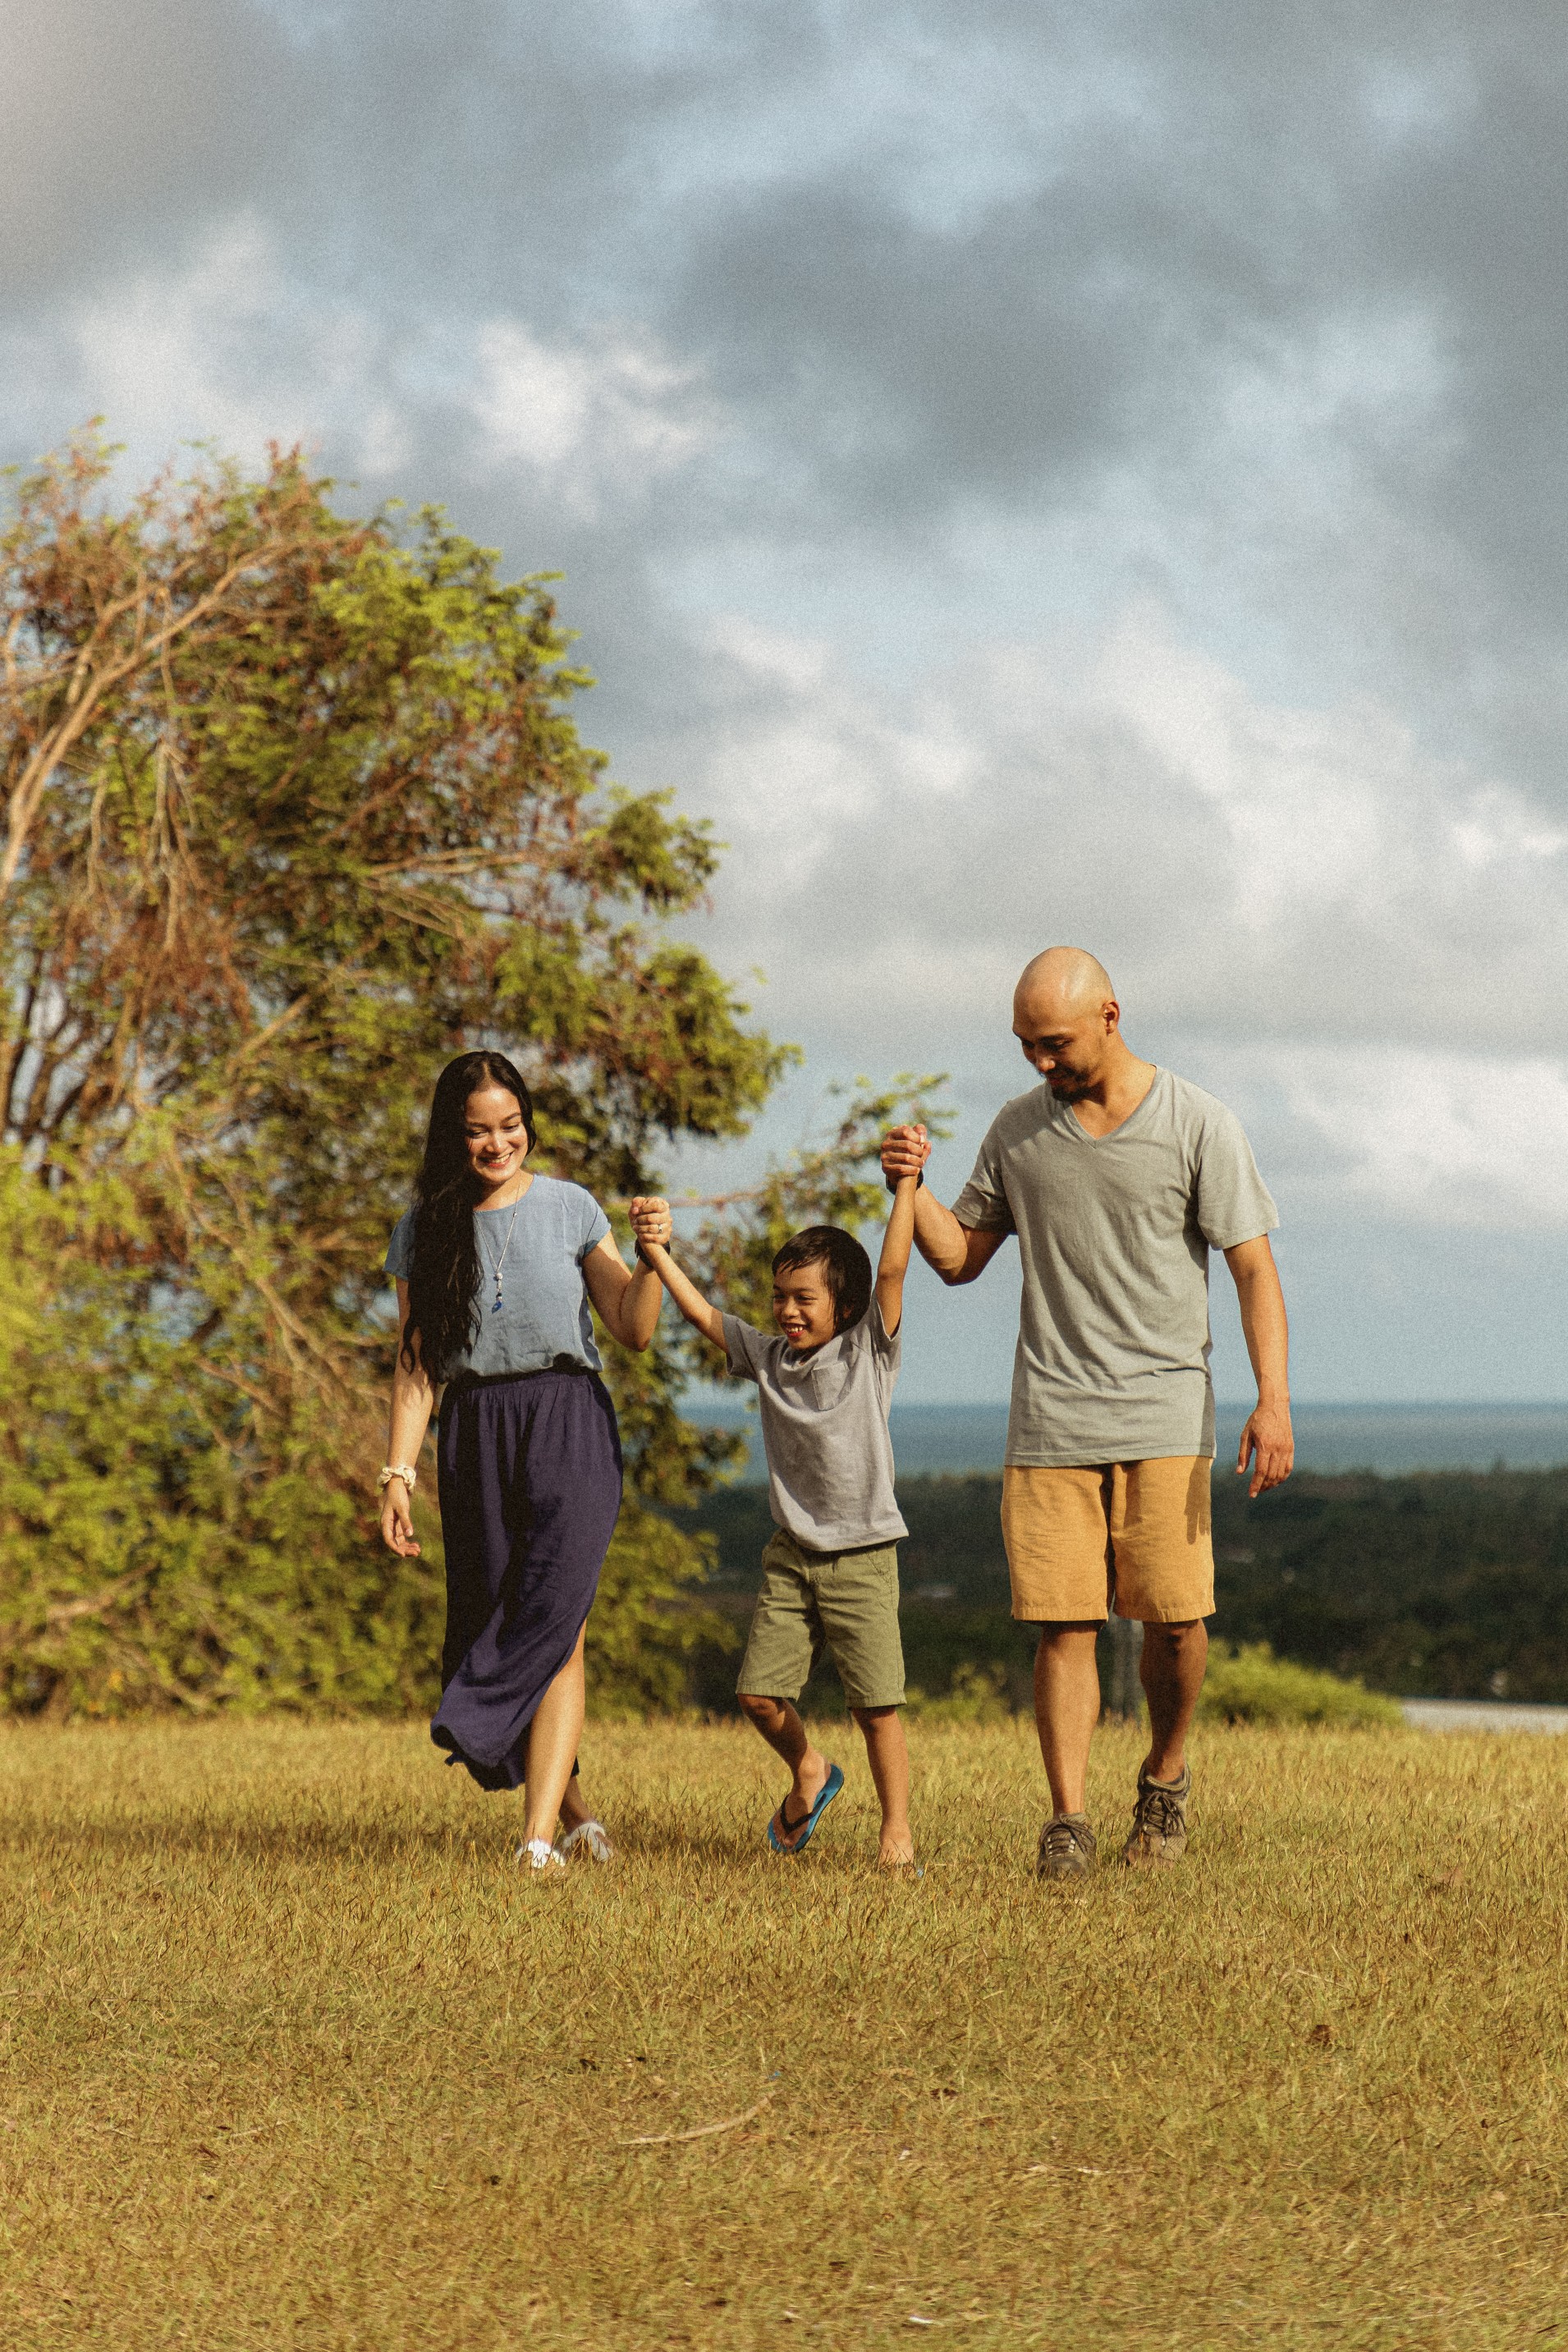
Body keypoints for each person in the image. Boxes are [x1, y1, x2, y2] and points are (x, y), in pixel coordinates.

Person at [882, 947, 1292, 1882]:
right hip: (1050, 1420)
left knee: (1173, 1622)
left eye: (1053, 1043)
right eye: (1025, 1046)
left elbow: (1251, 1269)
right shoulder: (1017, 1132)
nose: (1039, 1063)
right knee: (1061, 1624)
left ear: (1110, 1015)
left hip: (1163, 1415)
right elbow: (959, 1258)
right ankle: (1066, 1820)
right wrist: (911, 1188)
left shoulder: (1198, 1123)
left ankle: (1163, 1773)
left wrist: (1271, 1402)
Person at [378, 1051, 664, 1871]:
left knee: (556, 1619)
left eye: (510, 1127)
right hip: (474, 1431)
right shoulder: (423, 1230)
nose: (497, 1144)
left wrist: (649, 1258)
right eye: (477, 1132)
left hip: (566, 1420)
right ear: (451, 1137)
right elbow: (415, 1367)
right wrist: (397, 1476)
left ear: (528, 1125)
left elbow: (633, 1328)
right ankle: (576, 1816)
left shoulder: (572, 1207)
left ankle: (535, 1843)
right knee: (497, 1615)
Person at [627, 1176, 924, 1868]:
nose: (787, 1311)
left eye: (804, 1298)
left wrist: (906, 1186)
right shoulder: (768, 1358)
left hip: (863, 1553)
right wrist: (657, 1250)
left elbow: (894, 1267)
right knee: (758, 1696)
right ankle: (812, 1771)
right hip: (792, 1553)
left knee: (876, 1705)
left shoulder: (867, 1353)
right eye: (780, 1296)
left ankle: (897, 1834)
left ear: (844, 1305)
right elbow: (703, 1315)